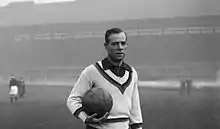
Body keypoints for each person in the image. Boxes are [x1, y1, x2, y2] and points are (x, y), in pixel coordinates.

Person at [67, 28, 143, 129]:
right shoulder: (92, 71)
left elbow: (135, 109)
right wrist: (85, 118)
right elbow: (73, 100)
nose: (120, 47)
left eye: (123, 43)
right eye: (115, 44)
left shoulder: (132, 73)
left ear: (126, 45)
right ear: (106, 46)